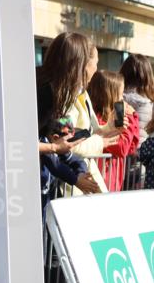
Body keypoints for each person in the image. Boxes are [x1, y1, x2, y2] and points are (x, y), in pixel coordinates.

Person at [35, 32, 118, 195]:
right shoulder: (48, 93)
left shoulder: (58, 92)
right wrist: (73, 178)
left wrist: (78, 170)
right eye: (94, 62)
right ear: (79, 63)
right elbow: (32, 143)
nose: (95, 68)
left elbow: (65, 137)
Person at [88, 70, 140, 192]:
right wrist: (131, 119)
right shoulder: (98, 119)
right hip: (103, 180)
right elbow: (122, 148)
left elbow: (131, 147)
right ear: (110, 94)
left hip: (114, 178)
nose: (123, 99)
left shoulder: (116, 116)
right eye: (121, 94)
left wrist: (133, 119)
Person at [119, 54, 154, 144]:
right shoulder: (146, 103)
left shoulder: (116, 97)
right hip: (138, 149)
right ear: (148, 76)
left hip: (117, 148)